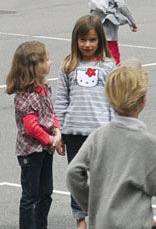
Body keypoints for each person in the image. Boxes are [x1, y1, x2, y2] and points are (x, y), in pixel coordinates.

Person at [66, 64, 156, 229]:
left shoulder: (98, 135)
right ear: (143, 100)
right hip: (133, 222)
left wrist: (92, 205)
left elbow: (73, 172)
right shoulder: (146, 142)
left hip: (101, 222)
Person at [53, 15, 116, 229]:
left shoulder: (108, 65)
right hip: (73, 133)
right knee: (77, 178)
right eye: (82, 40)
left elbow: (114, 101)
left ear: (100, 40)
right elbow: (61, 100)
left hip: (101, 133)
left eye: (92, 40)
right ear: (76, 41)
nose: (87, 45)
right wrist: (58, 131)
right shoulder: (69, 65)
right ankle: (80, 219)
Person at [8, 40, 64, 229]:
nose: (51, 62)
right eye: (47, 59)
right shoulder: (26, 96)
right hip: (31, 152)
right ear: (35, 66)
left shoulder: (44, 87)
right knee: (30, 196)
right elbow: (31, 128)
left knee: (45, 192)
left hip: (46, 149)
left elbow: (51, 112)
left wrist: (57, 131)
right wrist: (50, 139)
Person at [89, 0, 137, 64]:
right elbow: (122, 6)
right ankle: (113, 74)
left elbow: (92, 9)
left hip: (96, 27)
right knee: (113, 54)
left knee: (98, 53)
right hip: (108, 28)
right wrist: (132, 21)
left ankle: (95, 71)